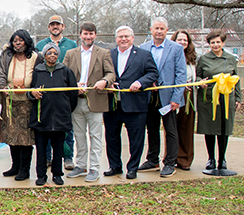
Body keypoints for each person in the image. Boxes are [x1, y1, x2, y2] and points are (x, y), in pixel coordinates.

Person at [104, 26, 159, 180]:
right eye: (120, 36)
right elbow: (102, 73)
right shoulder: (109, 54)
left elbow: (153, 73)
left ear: (133, 38)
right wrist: (107, 83)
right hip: (113, 104)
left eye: (126, 36)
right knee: (111, 138)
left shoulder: (144, 55)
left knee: (136, 139)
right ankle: (115, 166)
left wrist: (140, 82)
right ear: (116, 39)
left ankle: (132, 168)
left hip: (135, 104)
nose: (123, 39)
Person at [63, 22, 115, 182]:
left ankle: (94, 168)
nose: (88, 36)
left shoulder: (104, 53)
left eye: (91, 34)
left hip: (95, 100)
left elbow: (111, 73)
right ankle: (81, 165)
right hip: (76, 101)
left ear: (95, 35)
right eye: (85, 33)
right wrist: (74, 86)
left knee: (95, 136)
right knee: (79, 136)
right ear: (80, 35)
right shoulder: (71, 54)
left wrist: (104, 81)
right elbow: (63, 75)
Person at [138, 17, 187, 177]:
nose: (159, 31)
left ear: (167, 30)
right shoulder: (143, 48)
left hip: (168, 98)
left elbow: (181, 74)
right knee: (152, 129)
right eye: (156, 28)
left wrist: (176, 98)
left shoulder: (176, 48)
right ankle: (152, 159)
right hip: (150, 96)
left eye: (162, 29)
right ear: (151, 30)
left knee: (170, 130)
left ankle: (170, 163)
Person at [28, 42, 79, 186]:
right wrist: (32, 94)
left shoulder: (66, 71)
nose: (52, 55)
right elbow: (30, 90)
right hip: (42, 117)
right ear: (44, 55)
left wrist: (66, 110)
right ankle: (41, 175)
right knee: (41, 149)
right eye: (49, 53)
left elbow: (73, 95)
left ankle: (57, 174)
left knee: (58, 148)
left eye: (55, 53)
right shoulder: (37, 72)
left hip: (60, 118)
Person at [0, 29, 41, 181]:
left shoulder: (36, 57)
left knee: (25, 138)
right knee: (12, 135)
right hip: (10, 101)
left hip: (28, 102)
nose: (18, 43)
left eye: (21, 40)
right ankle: (15, 166)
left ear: (27, 41)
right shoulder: (7, 55)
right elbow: (0, 73)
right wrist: (2, 87)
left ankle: (24, 170)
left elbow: (40, 76)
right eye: (15, 40)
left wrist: (34, 90)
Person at [196, 30, 242, 176]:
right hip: (209, 98)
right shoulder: (204, 59)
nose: (215, 45)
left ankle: (222, 158)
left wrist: (238, 98)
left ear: (223, 43)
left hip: (226, 98)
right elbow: (198, 76)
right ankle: (211, 158)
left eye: (218, 42)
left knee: (224, 128)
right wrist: (200, 82)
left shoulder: (231, 59)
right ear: (209, 44)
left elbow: (236, 79)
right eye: (212, 42)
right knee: (209, 128)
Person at [35, 14, 77, 169]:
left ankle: (67, 158)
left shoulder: (71, 44)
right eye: (52, 24)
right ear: (48, 27)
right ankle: (46, 158)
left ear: (63, 26)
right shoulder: (41, 44)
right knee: (45, 128)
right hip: (46, 96)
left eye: (58, 24)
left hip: (63, 94)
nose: (55, 27)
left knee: (66, 130)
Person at [172, 29, 198, 170]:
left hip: (188, 96)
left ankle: (185, 159)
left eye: (185, 40)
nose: (182, 42)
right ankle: (171, 157)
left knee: (186, 128)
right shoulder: (170, 55)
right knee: (172, 128)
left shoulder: (192, 58)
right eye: (179, 39)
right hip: (173, 95)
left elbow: (196, 76)